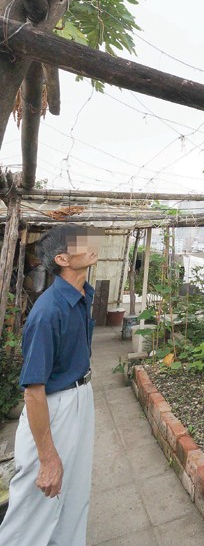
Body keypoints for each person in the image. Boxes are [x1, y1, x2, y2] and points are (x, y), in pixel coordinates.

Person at [0, 225, 99, 546]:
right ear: (62, 258)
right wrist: (47, 457)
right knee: (37, 501)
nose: (92, 243)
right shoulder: (47, 312)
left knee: (74, 492)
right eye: (81, 242)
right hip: (53, 406)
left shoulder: (85, 295)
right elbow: (33, 392)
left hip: (81, 397)